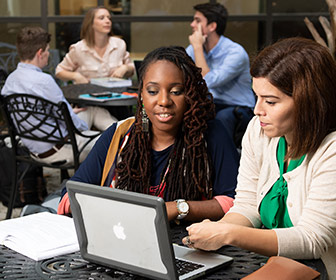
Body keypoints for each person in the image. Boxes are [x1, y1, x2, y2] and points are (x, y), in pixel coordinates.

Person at [183, 38, 336, 280]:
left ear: (309, 101)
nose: (257, 110)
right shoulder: (258, 130)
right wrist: (215, 232)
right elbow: (248, 205)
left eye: (270, 102)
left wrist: (227, 234)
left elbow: (312, 240)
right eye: (257, 97)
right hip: (276, 268)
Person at [57, 46, 240, 222]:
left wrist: (177, 208)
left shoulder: (211, 135)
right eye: (153, 91)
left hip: (189, 246)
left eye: (176, 91)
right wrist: (110, 208)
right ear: (141, 94)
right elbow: (68, 198)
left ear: (190, 94)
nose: (163, 101)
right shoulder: (119, 136)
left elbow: (234, 203)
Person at [1, 26, 116, 165]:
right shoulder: (44, 81)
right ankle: (127, 137)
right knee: (113, 142)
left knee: (92, 111)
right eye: (47, 50)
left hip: (35, 146)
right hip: (62, 150)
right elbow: (75, 125)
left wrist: (70, 113)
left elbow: (35, 112)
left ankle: (124, 131)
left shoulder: (10, 81)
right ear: (40, 53)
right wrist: (87, 132)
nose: (48, 54)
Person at [186, 3, 255, 146]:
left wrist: (198, 47)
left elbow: (207, 81)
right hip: (211, 104)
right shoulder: (193, 50)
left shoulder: (235, 52)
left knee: (219, 121)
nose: (192, 24)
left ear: (212, 26)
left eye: (198, 21)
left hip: (237, 108)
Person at [55, 6, 135, 84]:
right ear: (91, 23)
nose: (107, 21)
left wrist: (125, 68)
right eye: (101, 18)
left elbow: (131, 70)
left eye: (109, 18)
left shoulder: (119, 44)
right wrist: (76, 76)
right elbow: (59, 71)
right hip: (87, 93)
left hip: (115, 94)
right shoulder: (79, 48)